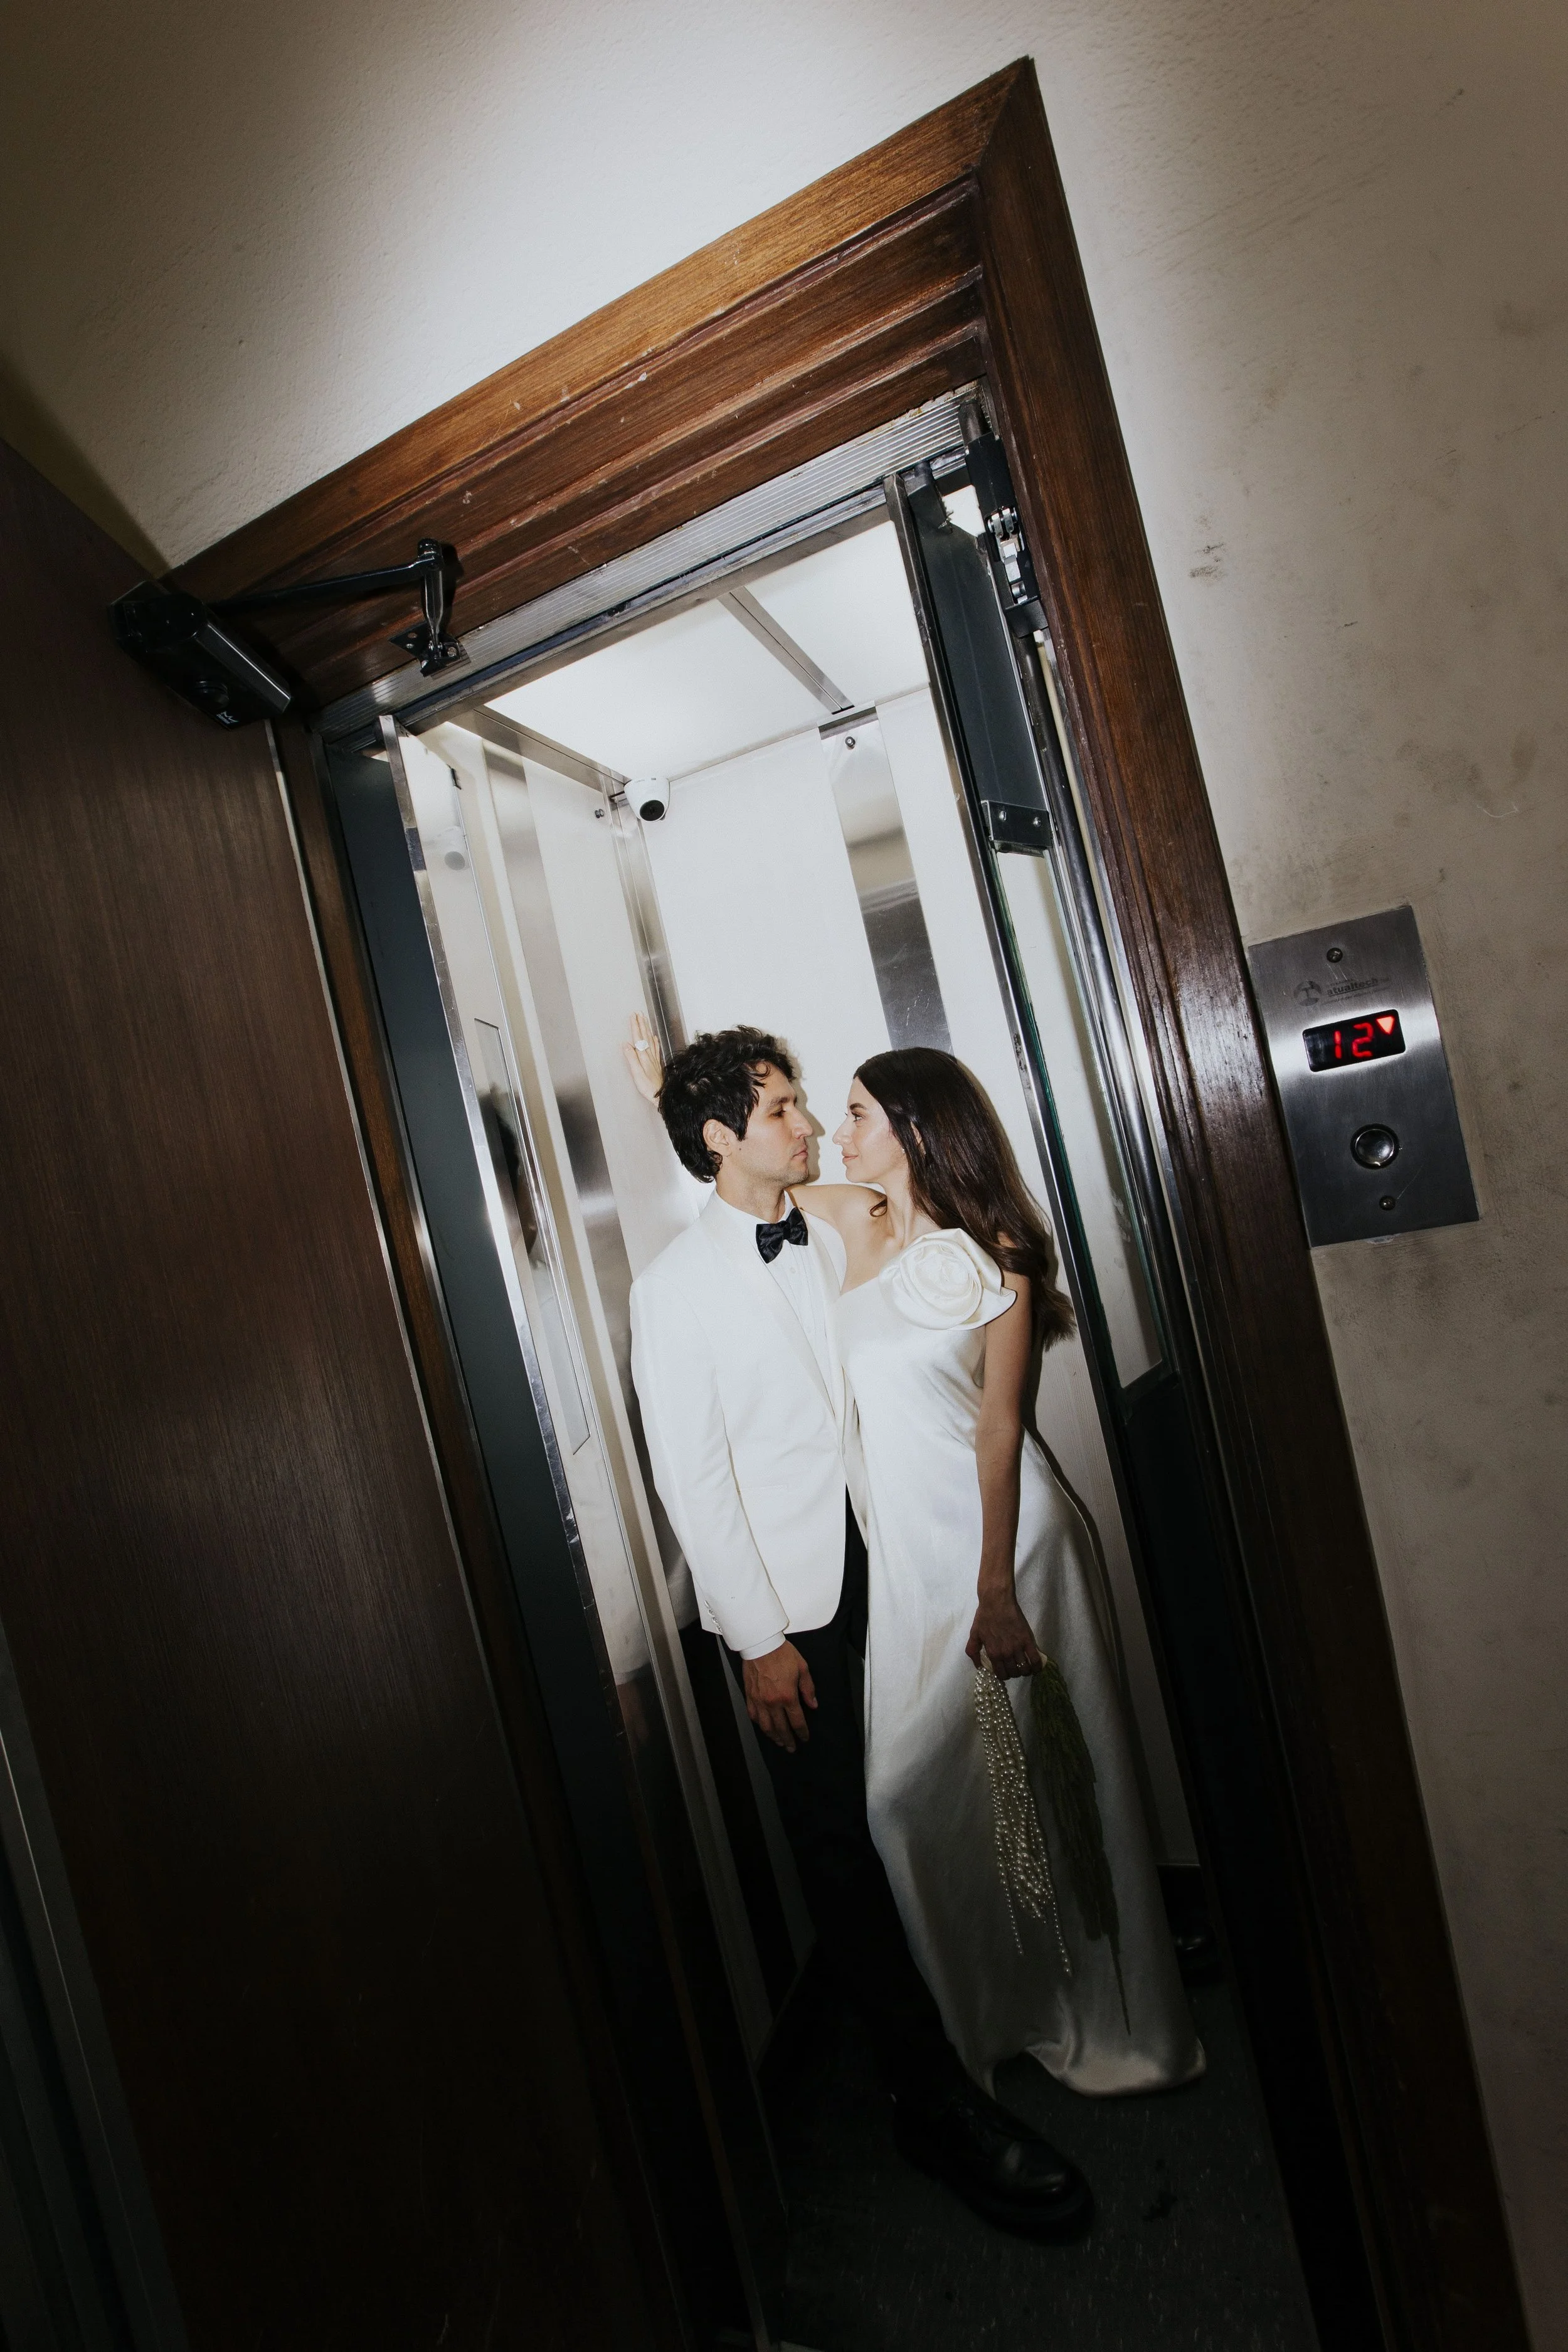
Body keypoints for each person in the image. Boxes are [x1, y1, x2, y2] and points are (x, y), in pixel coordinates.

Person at [627, 1024, 1093, 2242]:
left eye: (802, 1105)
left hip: (896, 1571)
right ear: (724, 1138)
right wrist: (755, 1641)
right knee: (841, 1841)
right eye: (781, 1110)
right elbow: (692, 1479)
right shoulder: (670, 1290)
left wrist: (672, 1099)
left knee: (938, 1788)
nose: (804, 1126)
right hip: (790, 1613)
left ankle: (1016, 1987)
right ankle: (929, 2104)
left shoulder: (832, 1225)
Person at [801, 1047, 1203, 2097]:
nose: (838, 1133)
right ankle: (998, 2015)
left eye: (857, 1113)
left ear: (916, 1125)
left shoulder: (1003, 1250)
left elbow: (996, 1426)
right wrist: (671, 1098)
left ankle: (1103, 2006)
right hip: (907, 1562)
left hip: (1005, 1546)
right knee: (906, 1794)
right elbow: (750, 1177)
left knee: (1052, 1788)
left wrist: (996, 1590)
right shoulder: (850, 1221)